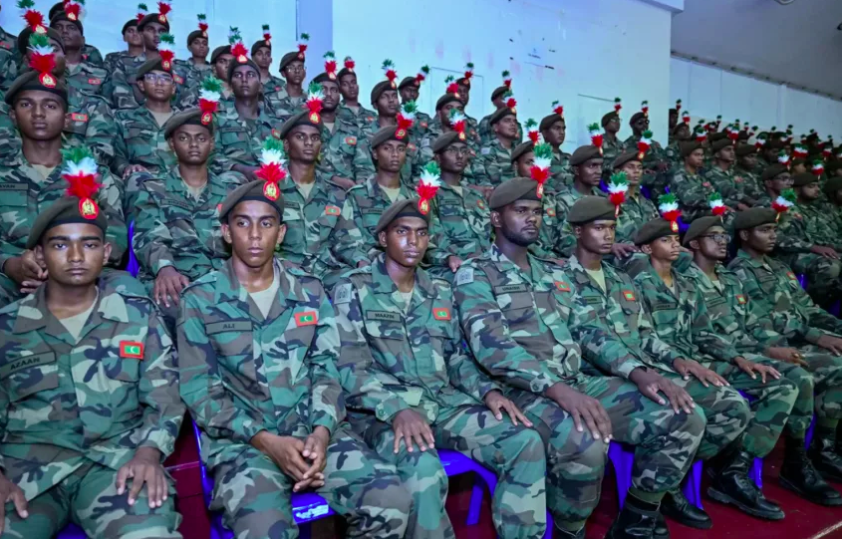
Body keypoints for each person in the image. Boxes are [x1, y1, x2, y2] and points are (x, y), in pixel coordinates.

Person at [454, 178, 705, 539]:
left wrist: (638, 372)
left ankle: (637, 518)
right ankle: (570, 530)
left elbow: (590, 331)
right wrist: (558, 390)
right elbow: (493, 348)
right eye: (520, 211)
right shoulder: (475, 273)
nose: (532, 218)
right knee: (585, 440)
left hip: (577, 383)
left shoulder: (554, 272)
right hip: (520, 393)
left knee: (683, 415)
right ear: (496, 218)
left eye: (537, 211)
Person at [178, 179, 411, 539]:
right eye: (243, 223)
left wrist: (321, 432)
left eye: (266, 223)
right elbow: (199, 391)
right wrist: (266, 442)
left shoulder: (310, 290)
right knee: (264, 529)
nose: (255, 235)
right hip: (245, 445)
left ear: (281, 233)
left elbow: (328, 369)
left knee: (390, 500)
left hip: (313, 432)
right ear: (226, 232)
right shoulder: (200, 299)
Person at [332, 197, 548, 539]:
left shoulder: (440, 290)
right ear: (383, 238)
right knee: (423, 470)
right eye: (402, 232)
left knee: (524, 441)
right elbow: (349, 367)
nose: (413, 241)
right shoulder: (353, 289)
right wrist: (397, 408)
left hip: (441, 402)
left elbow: (455, 357)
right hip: (379, 414)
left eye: (421, 233)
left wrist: (487, 392)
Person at [0, 176, 184, 538]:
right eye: (60, 245)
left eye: (89, 244)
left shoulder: (137, 317)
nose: (75, 256)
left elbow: (166, 397)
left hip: (116, 464)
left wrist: (149, 452)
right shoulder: (7, 327)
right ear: (39, 255)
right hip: (26, 474)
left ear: (105, 252)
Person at [564, 199, 751, 529]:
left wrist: (679, 360)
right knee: (684, 414)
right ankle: (643, 507)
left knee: (731, 405)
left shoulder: (620, 279)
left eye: (611, 228)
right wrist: (641, 373)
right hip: (595, 378)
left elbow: (645, 333)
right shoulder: (559, 279)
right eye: (599, 228)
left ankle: (665, 482)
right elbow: (589, 337)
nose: (608, 235)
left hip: (642, 369)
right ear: (578, 231)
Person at [633, 216, 801, 520]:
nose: (675, 245)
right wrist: (682, 361)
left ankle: (730, 471)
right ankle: (669, 481)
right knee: (733, 406)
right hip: (661, 367)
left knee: (780, 385)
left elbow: (704, 333)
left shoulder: (686, 284)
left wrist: (736, 358)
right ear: (647, 248)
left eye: (676, 240)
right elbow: (642, 338)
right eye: (665, 241)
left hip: (698, 361)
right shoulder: (637, 285)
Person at [686, 215, 842, 506]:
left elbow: (755, 323)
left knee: (799, 375)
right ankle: (734, 470)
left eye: (723, 236)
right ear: (694, 244)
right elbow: (700, 336)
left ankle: (795, 459)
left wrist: (771, 348)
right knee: (789, 381)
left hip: (748, 351)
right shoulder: (687, 283)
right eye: (713, 237)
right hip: (711, 359)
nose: (722, 241)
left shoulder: (729, 279)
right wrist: (766, 352)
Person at [730, 208, 842, 486]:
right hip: (773, 346)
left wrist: (836, 327)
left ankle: (826, 444)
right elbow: (765, 321)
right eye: (764, 230)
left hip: (800, 340)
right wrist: (817, 337)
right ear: (745, 235)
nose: (773, 235)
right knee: (837, 366)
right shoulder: (738, 272)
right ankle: (804, 456)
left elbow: (808, 308)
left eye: (774, 229)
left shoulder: (779, 267)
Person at [0, 71, 125, 304]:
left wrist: (69, 265)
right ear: (13, 116)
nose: (38, 113)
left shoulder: (95, 174)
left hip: (85, 272)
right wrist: (9, 263)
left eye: (50, 106)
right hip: (12, 277)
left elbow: (115, 233)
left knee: (129, 292)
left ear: (67, 119)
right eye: (27, 104)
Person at [132, 108, 246, 324]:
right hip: (175, 277)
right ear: (172, 144)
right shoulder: (153, 188)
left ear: (211, 144)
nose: (193, 144)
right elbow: (148, 236)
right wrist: (165, 268)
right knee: (175, 306)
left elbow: (242, 238)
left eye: (201, 138)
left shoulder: (231, 190)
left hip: (223, 277)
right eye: (184, 138)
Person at [3, 25, 117, 168]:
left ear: (66, 58)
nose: (45, 54)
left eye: (53, 48)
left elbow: (100, 154)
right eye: (37, 48)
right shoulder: (6, 104)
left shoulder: (94, 106)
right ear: (26, 60)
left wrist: (54, 168)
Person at [274, 110, 347, 279]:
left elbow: (348, 241)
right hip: (282, 272)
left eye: (315, 138)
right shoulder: (271, 190)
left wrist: (362, 263)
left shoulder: (336, 194)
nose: (309, 143)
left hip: (326, 274)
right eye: (301, 137)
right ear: (286, 145)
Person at [333, 126, 416, 269]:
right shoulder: (357, 196)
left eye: (401, 149)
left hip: (411, 268)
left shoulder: (415, 199)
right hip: (371, 266)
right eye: (387, 148)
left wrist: (448, 257)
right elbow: (346, 240)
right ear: (375, 154)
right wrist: (363, 261)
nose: (395, 154)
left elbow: (431, 240)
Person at [424, 132, 491, 275]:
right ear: (438, 158)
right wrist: (448, 257)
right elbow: (431, 237)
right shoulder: (429, 193)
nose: (459, 156)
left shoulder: (475, 195)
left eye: (464, 151)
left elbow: (490, 234)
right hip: (451, 267)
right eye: (452, 150)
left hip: (487, 263)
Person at [776, 172, 842, 307]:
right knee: (829, 266)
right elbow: (780, 239)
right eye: (811, 186)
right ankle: (813, 306)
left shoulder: (814, 210)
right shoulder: (786, 209)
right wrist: (813, 247)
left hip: (810, 251)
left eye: (817, 186)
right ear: (796, 189)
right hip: (789, 254)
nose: (817, 189)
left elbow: (825, 237)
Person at [113, 58, 179, 182]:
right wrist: (126, 167)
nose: (159, 83)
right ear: (141, 85)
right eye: (152, 77)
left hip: (179, 183)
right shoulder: (122, 118)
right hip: (140, 182)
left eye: (166, 78)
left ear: (173, 88)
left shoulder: (187, 121)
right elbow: (116, 154)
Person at [215, 57, 279, 180]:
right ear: (230, 86)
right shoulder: (218, 118)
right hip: (232, 185)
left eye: (250, 75)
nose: (244, 80)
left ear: (260, 86)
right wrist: (241, 169)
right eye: (238, 75)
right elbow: (211, 156)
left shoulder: (274, 123)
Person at [312, 68, 373, 190]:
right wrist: (333, 179)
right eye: (323, 89)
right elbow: (296, 166)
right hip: (314, 193)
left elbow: (365, 168)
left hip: (349, 195)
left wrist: (358, 188)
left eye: (334, 90)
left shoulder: (354, 131)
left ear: (339, 96)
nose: (329, 94)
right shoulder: (304, 128)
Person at [361, 76, 420, 181]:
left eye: (394, 96)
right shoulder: (365, 133)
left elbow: (418, 168)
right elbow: (363, 170)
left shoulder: (407, 132)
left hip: (406, 190)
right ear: (375, 105)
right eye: (385, 97)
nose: (391, 100)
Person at [49, 11, 107, 99]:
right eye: (58, 27)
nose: (64, 31)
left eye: (71, 28)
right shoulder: (39, 71)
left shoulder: (102, 75)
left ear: (83, 40)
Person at [670, 141, 719, 223]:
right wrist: (708, 198)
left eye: (701, 155)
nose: (700, 158)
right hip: (688, 217)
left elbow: (712, 193)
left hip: (702, 214)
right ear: (686, 157)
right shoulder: (680, 176)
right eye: (696, 155)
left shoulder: (700, 177)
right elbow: (689, 199)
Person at [624, 111, 671, 196]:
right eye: (640, 123)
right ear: (632, 126)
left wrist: (665, 164)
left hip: (659, 172)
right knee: (659, 178)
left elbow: (664, 157)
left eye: (646, 122)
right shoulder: (629, 144)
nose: (644, 125)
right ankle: (656, 200)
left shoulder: (654, 143)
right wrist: (654, 164)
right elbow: (630, 164)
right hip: (641, 173)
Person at [475, 100, 520, 187]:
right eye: (507, 121)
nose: (513, 124)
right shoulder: (487, 149)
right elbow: (484, 177)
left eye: (515, 121)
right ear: (496, 127)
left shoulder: (519, 150)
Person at [555, 145, 604, 223]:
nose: (599, 171)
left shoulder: (603, 199)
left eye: (600, 166)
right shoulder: (562, 201)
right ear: (577, 170)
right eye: (592, 166)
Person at [47, 1, 103, 66]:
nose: (65, 30)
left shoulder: (90, 52)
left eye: (71, 27)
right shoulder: (42, 49)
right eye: (58, 26)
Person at [702, 139, 753, 210]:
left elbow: (747, 191)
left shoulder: (735, 172)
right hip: (726, 210)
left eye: (733, 149)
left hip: (743, 207)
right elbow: (714, 198)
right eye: (728, 150)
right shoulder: (711, 175)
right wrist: (738, 204)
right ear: (717, 154)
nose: (732, 152)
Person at [265, 38, 308, 122]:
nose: (297, 71)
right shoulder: (270, 99)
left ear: (304, 72)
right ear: (283, 73)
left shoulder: (311, 101)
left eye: (300, 67)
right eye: (291, 68)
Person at [173, 15, 212, 94]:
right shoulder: (179, 67)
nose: (201, 46)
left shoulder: (214, 70)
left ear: (208, 48)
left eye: (204, 43)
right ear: (189, 47)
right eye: (196, 43)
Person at [478, 79, 523, 144]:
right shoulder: (487, 121)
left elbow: (518, 144)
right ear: (494, 102)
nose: (507, 101)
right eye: (503, 98)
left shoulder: (516, 124)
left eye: (509, 98)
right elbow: (484, 142)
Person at [539, 105, 574, 190]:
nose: (562, 132)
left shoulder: (568, 157)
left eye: (563, 129)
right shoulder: (539, 157)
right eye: (557, 128)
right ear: (545, 133)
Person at [337, 57, 376, 129]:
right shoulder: (335, 113)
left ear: (357, 86)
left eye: (353, 82)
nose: (351, 86)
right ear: (339, 89)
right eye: (345, 84)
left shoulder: (372, 115)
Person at [398, 69, 434, 136]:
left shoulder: (425, 118)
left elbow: (435, 134)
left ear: (418, 94)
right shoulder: (392, 114)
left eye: (414, 91)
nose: (412, 94)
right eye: (408, 90)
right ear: (401, 92)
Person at [251, 28, 285, 96]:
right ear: (252, 59)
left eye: (267, 54)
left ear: (271, 60)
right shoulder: (246, 82)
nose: (264, 57)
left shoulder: (281, 84)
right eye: (259, 54)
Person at [601, 110, 625, 179]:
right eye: (614, 120)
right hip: (605, 178)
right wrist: (613, 167)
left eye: (619, 120)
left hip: (620, 178)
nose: (618, 123)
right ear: (605, 124)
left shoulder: (622, 144)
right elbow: (595, 165)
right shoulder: (599, 142)